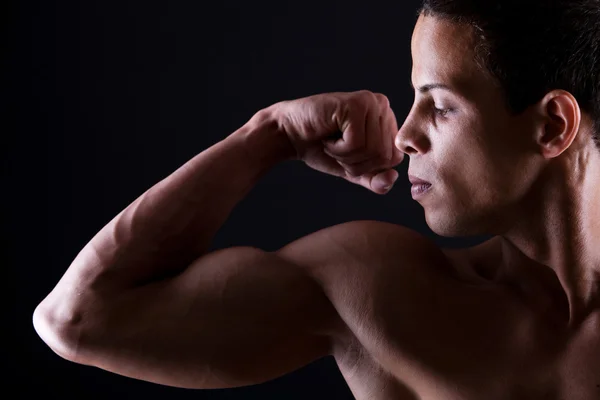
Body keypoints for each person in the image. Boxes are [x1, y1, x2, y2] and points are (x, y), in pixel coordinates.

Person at [33, 0, 600, 398]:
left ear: (552, 125)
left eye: (441, 106)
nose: (405, 136)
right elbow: (79, 319)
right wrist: (267, 136)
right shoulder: (378, 294)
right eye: (413, 101)